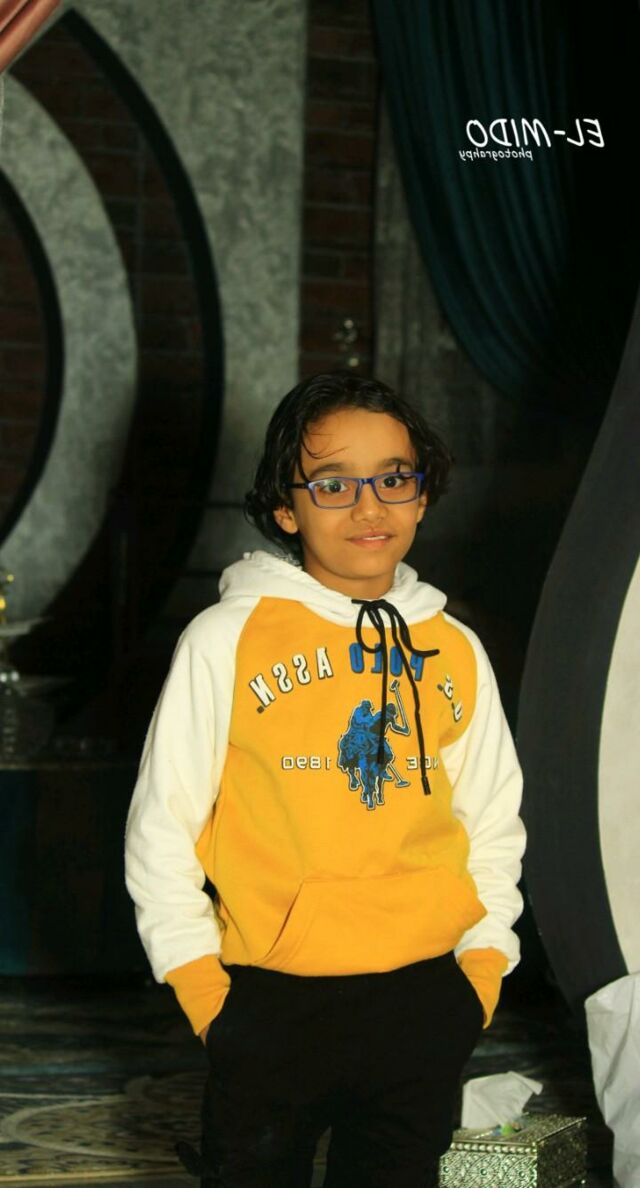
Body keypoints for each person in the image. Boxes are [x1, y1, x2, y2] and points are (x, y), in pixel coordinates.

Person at [125, 371, 526, 1188]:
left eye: (393, 479)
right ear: (286, 507)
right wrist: (204, 994)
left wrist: (481, 970)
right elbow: (160, 829)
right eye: (334, 484)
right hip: (271, 1005)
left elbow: (493, 822)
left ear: (422, 496)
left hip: (425, 999)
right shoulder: (225, 638)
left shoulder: (456, 647)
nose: (369, 507)